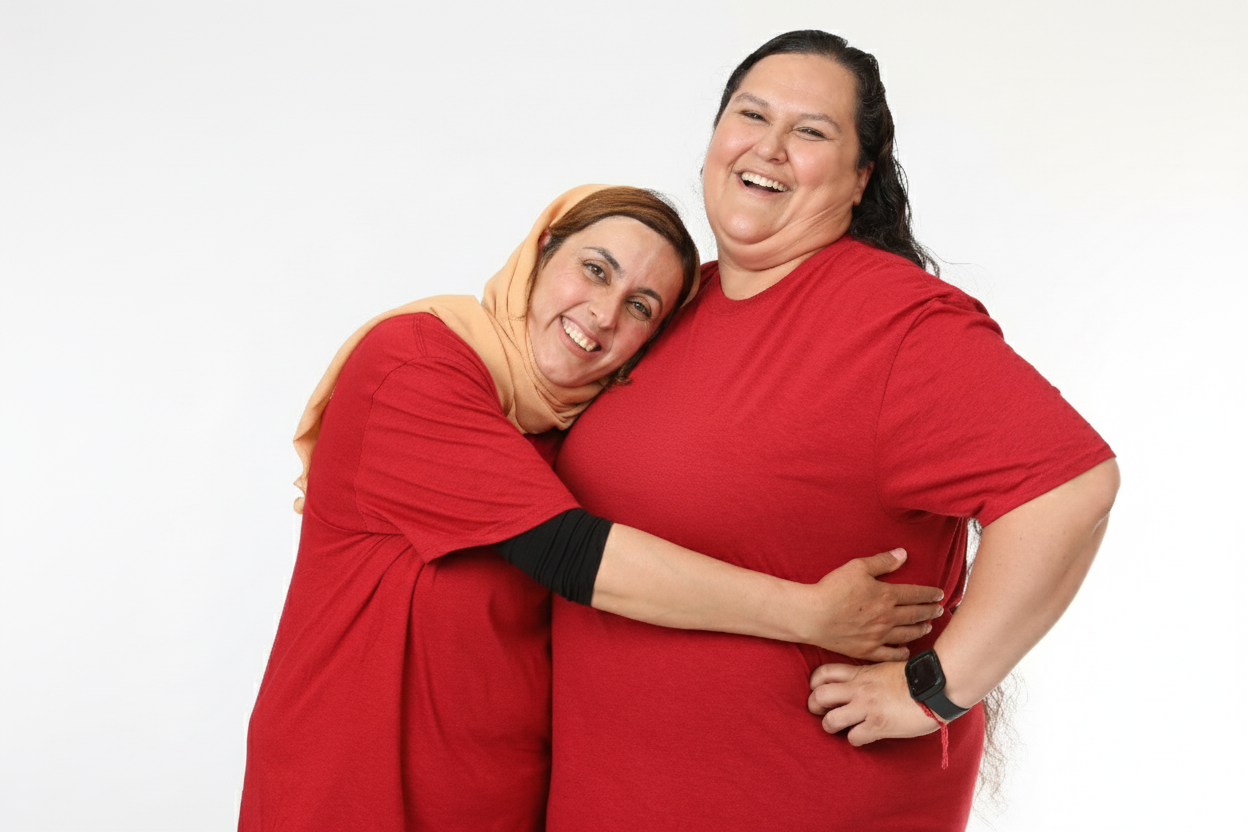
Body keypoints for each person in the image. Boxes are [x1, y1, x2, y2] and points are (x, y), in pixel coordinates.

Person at [238, 185, 945, 832]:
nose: (603, 315)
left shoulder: (575, 432)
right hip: (351, 788)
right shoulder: (414, 365)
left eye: (642, 306)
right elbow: (572, 554)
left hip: (497, 797)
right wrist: (808, 614)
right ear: (542, 253)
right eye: (596, 270)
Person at [547, 33, 1120, 831]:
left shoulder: (891, 323)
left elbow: (1070, 487)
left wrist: (938, 686)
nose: (770, 148)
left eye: (811, 132)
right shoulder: (672, 305)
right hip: (610, 798)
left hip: (803, 800)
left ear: (861, 179)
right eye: (751, 115)